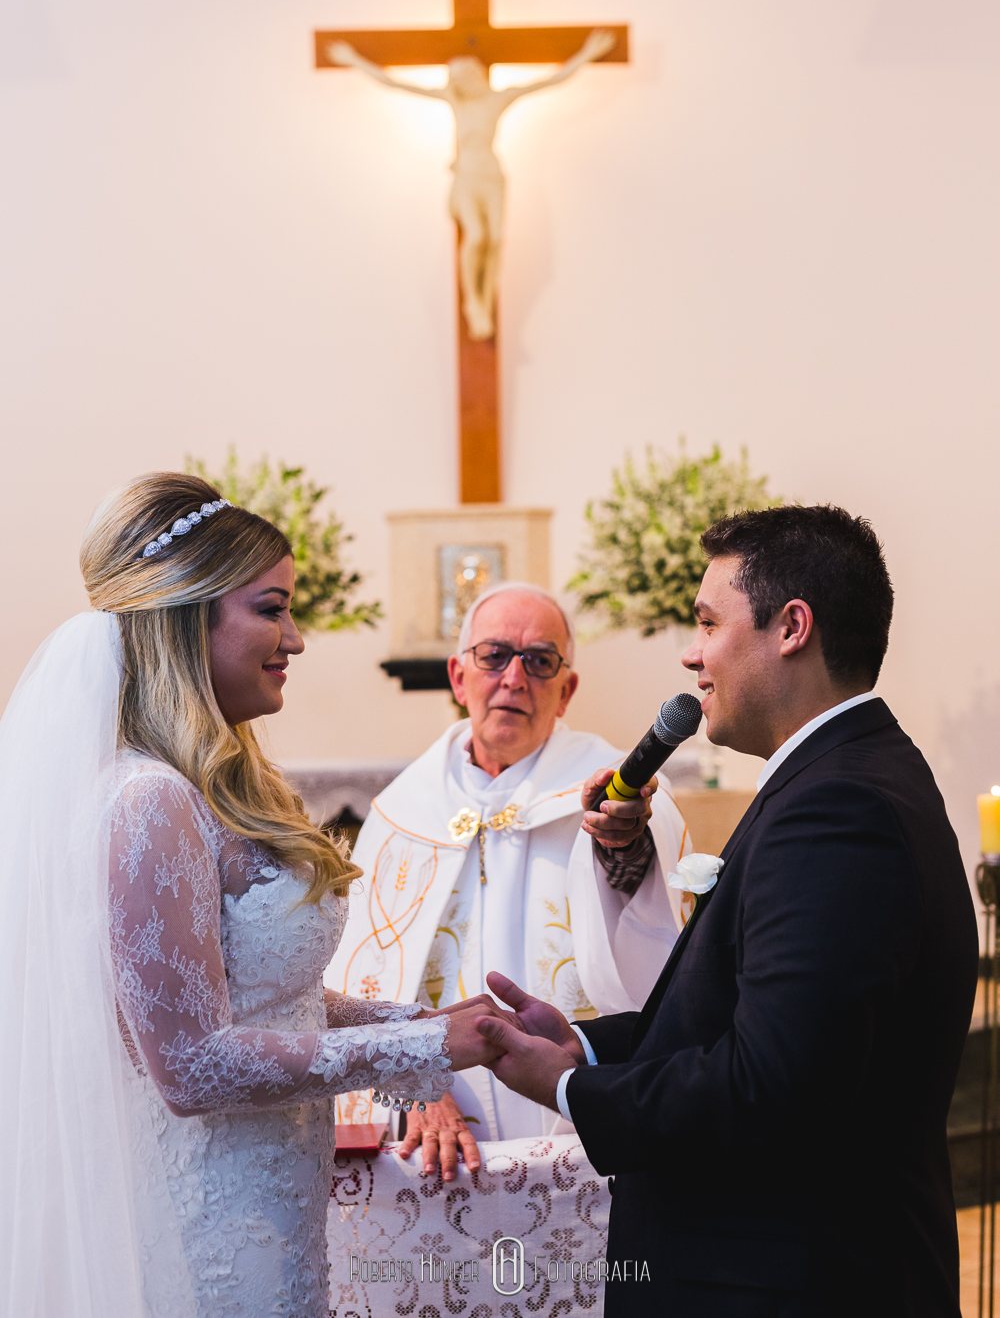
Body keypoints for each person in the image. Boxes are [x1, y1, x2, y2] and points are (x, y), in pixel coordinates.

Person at [0, 472, 505, 1318]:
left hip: (270, 1206)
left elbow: (274, 1001)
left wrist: (432, 1023)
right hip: (206, 1226)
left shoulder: (217, 784)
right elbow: (192, 1067)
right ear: (189, 615)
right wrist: (419, 1053)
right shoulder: (146, 802)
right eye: (271, 609)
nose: (297, 639)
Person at [474, 506, 979, 1317]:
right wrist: (587, 1045)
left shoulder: (838, 808)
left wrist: (572, 1089)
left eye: (708, 622)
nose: (691, 652)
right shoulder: (838, 778)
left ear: (791, 627)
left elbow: (769, 1084)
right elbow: (740, 1022)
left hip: (794, 1285)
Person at [327, 580, 691, 1179]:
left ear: (566, 689)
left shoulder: (613, 791)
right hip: (435, 1137)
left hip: (577, 1129)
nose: (514, 679)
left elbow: (653, 930)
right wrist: (409, 1081)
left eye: (540, 661)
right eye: (493, 655)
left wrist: (623, 844)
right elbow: (358, 982)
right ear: (457, 675)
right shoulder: (401, 813)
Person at [328, 30, 616, 339]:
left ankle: (486, 301)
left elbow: (549, 81)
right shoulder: (456, 101)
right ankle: (473, 304)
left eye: (462, 77)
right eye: (455, 80)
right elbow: (397, 83)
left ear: (475, 75)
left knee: (496, 239)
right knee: (476, 236)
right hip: (466, 175)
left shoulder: (498, 99)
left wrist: (585, 55)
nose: (459, 84)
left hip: (492, 175)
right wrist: (354, 60)